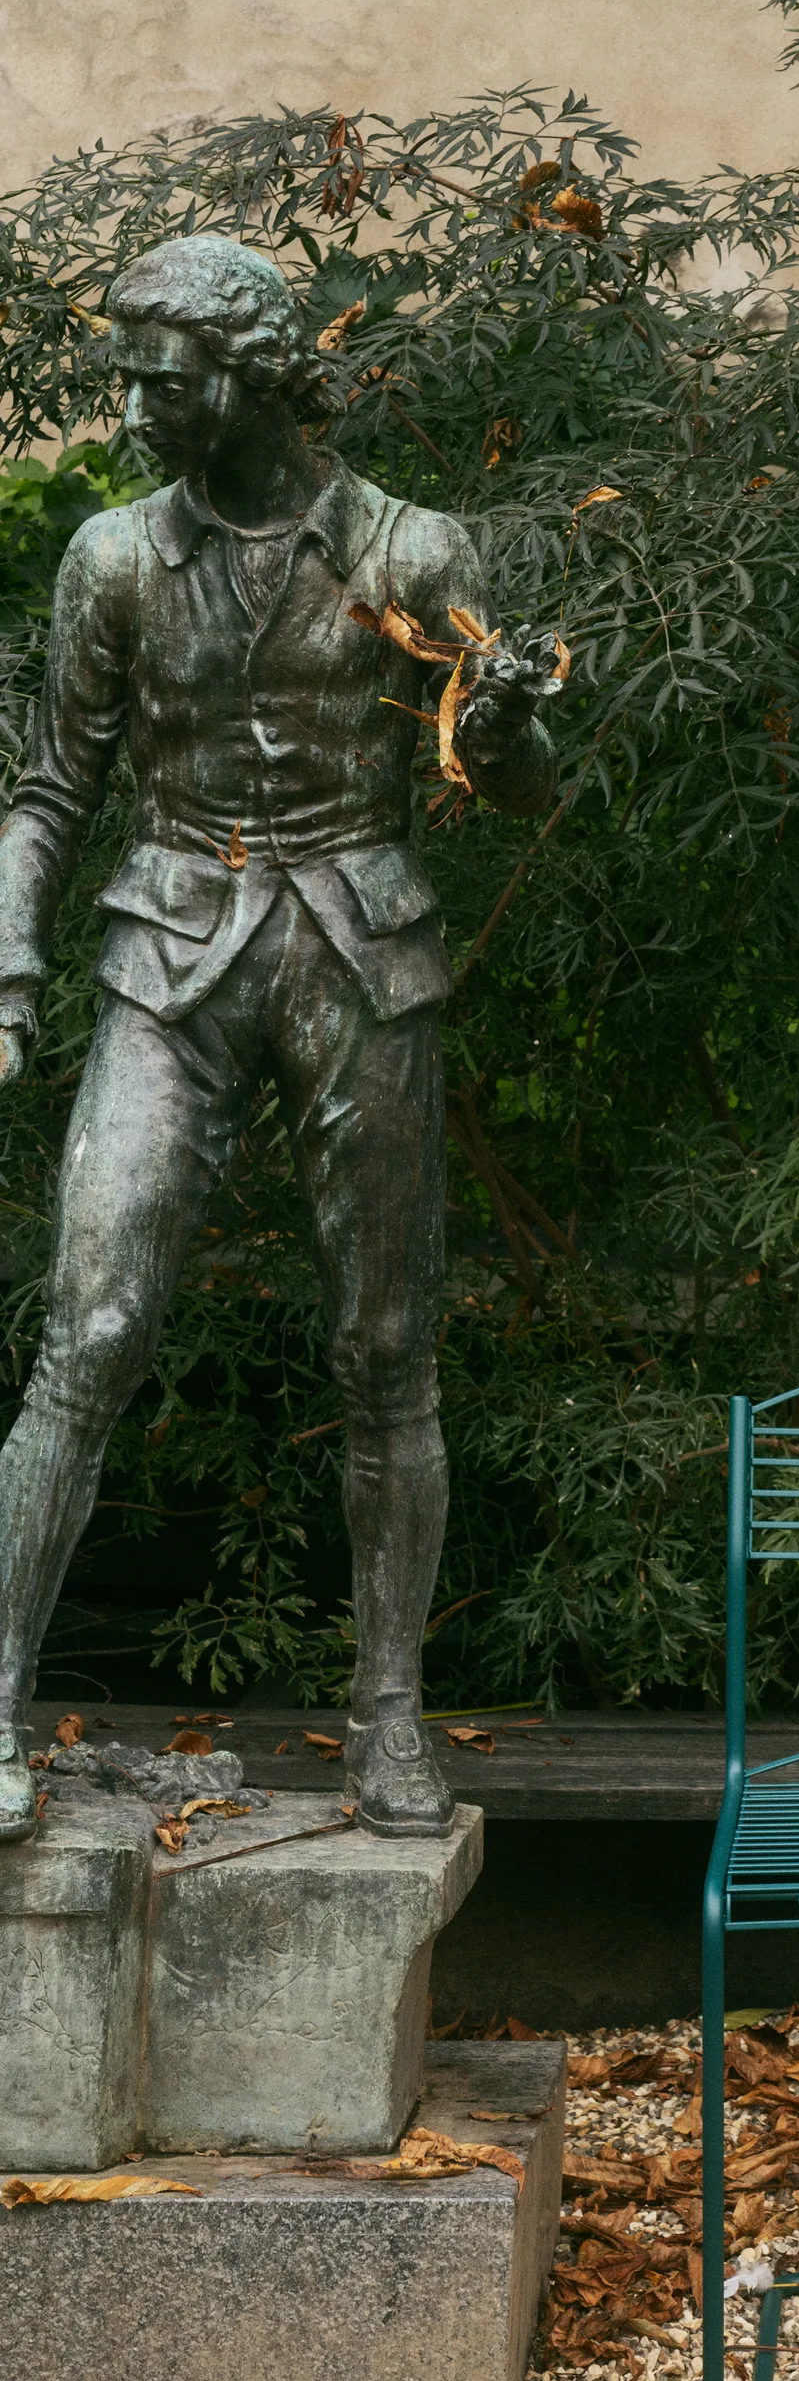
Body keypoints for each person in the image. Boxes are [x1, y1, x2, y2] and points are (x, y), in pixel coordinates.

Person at [0, 231, 561, 1841]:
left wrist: (509, 725)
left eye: (159, 379)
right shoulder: (113, 560)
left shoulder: (406, 548)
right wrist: (10, 968)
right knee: (89, 1332)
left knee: (386, 1355)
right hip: (166, 957)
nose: (131, 405)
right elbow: (51, 791)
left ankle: (387, 1714)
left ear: (246, 371)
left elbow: (519, 789)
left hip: (357, 956)